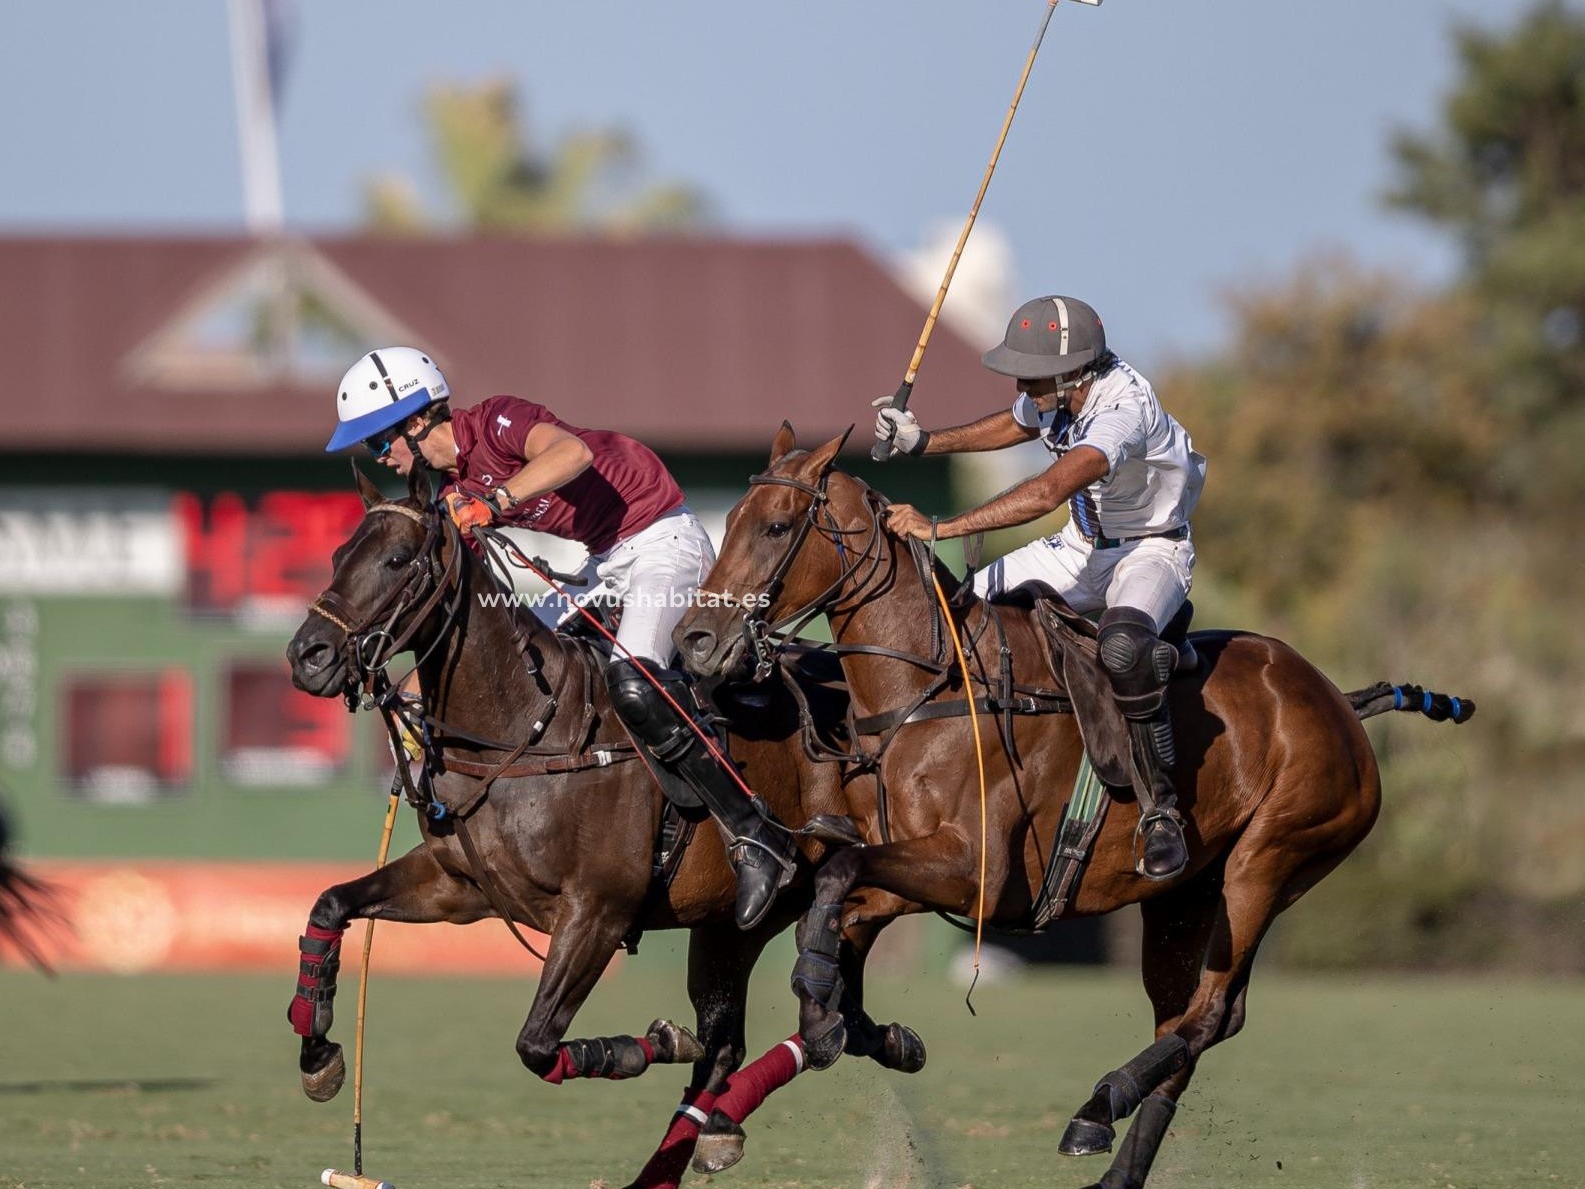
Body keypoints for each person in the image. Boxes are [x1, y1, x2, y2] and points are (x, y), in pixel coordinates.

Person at [327, 346, 793, 928]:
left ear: (417, 420)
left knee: (633, 677)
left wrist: (495, 501)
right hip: (604, 564)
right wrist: (423, 698)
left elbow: (572, 452)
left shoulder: (496, 422)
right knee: (523, 662)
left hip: (661, 541)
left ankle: (755, 833)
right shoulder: (449, 493)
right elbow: (467, 614)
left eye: (378, 441)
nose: (381, 457)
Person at [872, 296, 1204, 881]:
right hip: (1082, 544)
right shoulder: (1061, 390)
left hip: (1152, 548)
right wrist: (923, 442)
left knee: (1122, 649)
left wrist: (943, 527)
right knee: (955, 614)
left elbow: (1049, 489)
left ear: (1073, 371)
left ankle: (1161, 814)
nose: (1020, 382)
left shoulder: (1121, 408)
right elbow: (1016, 421)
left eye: (1031, 372)